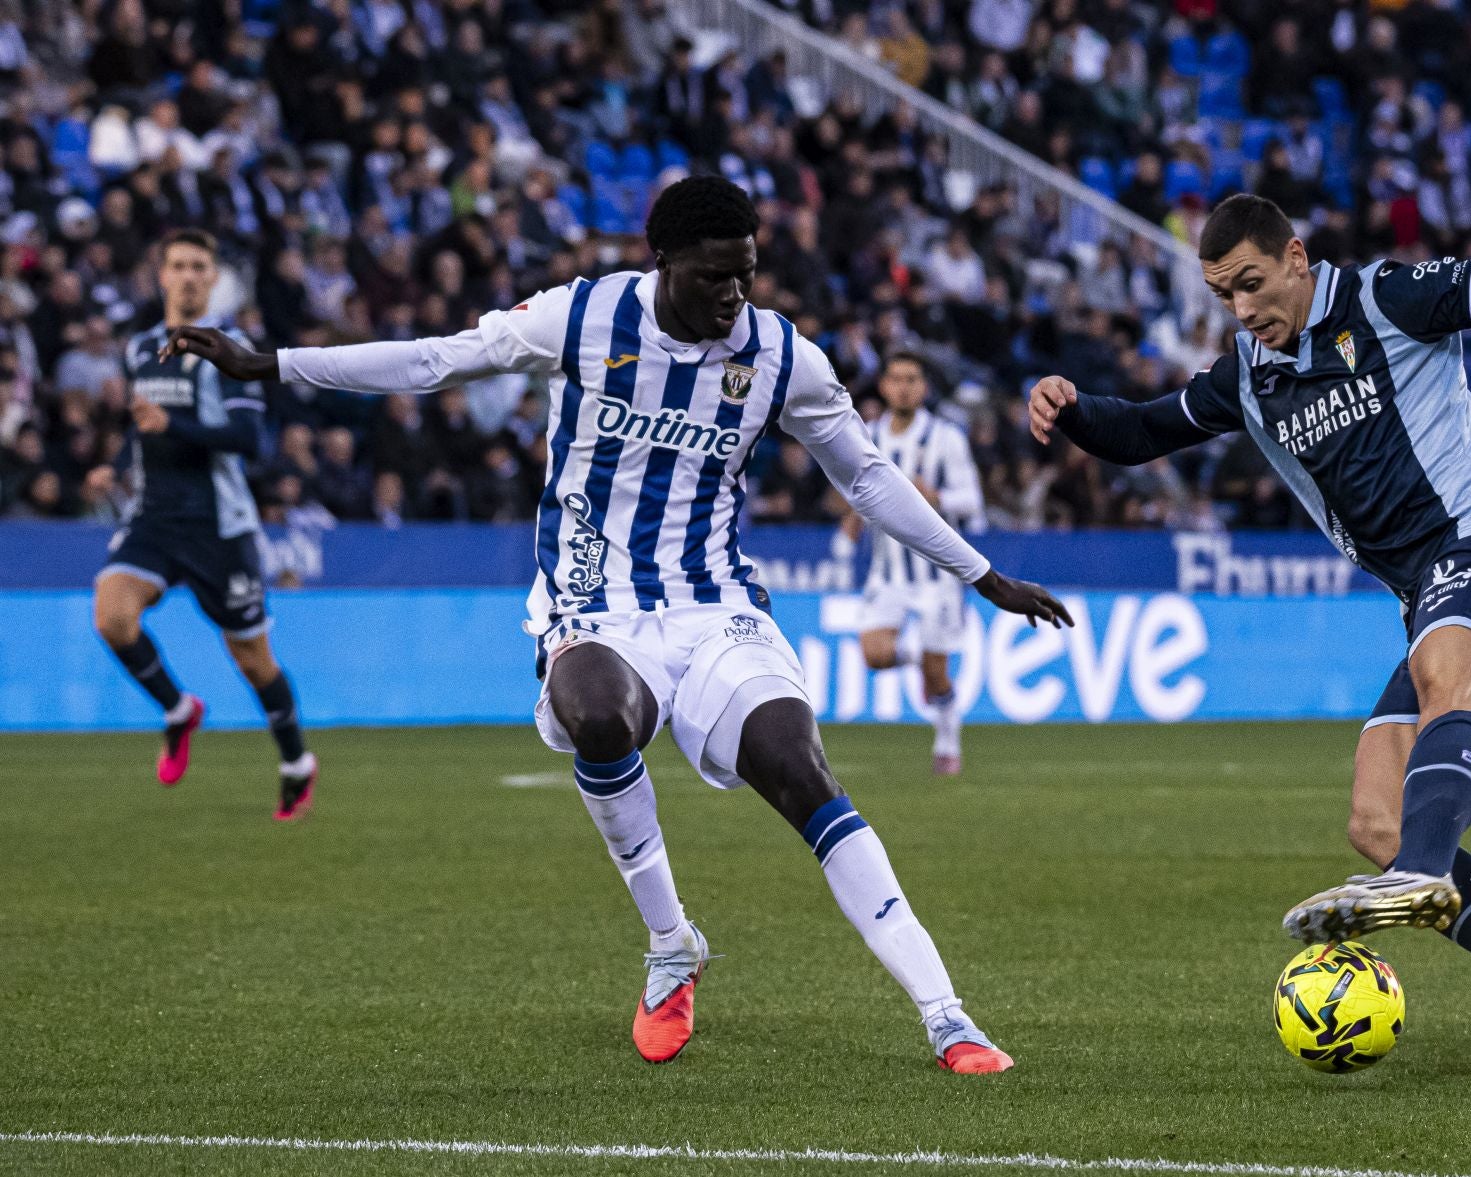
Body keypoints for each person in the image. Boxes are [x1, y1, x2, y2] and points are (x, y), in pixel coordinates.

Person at [169, 177, 1071, 1074]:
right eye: (716, 276)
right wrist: (276, 365)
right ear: (663, 261)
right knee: (598, 712)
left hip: (715, 603)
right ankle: (672, 944)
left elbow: (868, 476)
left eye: (748, 274)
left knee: (800, 771)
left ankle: (947, 1017)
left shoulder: (784, 357)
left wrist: (982, 575)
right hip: (594, 598)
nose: (735, 294)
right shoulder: (581, 317)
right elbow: (435, 359)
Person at [1028, 194, 1471, 1078]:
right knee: (1377, 816)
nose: (1241, 309)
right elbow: (1144, 431)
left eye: (1252, 284)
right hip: (1433, 593)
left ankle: (1420, 875)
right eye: (1223, 294)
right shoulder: (1249, 374)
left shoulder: (1388, 300)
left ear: (1297, 259)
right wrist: (1071, 409)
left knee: (1441, 678)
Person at [92, 229, 317, 821]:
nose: (189, 275)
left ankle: (296, 762)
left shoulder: (231, 347)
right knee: (112, 616)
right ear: (160, 276)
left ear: (213, 279)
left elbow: (249, 440)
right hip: (155, 518)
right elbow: (145, 430)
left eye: (200, 266)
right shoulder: (140, 348)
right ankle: (176, 710)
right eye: (178, 266)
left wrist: (172, 426)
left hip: (221, 526)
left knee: (252, 660)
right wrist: (113, 467)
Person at [842, 351, 983, 775]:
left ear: (924, 387)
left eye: (913, 379)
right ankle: (919, 660)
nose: (904, 386)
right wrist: (852, 518)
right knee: (875, 653)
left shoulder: (946, 438)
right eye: (897, 378)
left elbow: (973, 501)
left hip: (937, 576)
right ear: (884, 386)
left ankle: (946, 738)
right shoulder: (866, 436)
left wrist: (935, 497)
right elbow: (858, 489)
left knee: (938, 678)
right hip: (888, 574)